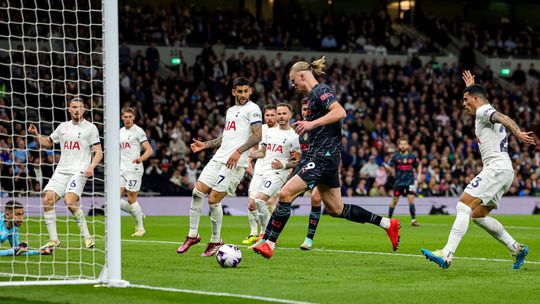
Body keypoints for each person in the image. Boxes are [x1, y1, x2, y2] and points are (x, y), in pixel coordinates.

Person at [252, 57, 400, 259]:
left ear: (303, 75)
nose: (292, 84)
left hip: (323, 157)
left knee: (285, 194)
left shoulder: (320, 91)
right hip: (324, 158)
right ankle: (387, 224)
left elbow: (340, 111)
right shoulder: (312, 96)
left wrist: (311, 125)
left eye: (293, 80)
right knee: (336, 209)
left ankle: (268, 243)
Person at [421, 70, 536, 269]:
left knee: (463, 206)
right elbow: (486, 103)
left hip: (496, 168)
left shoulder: (483, 111)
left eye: (466, 100)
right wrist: (471, 85)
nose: (463, 104)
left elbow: (502, 117)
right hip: (505, 170)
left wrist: (517, 132)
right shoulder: (484, 108)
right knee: (478, 215)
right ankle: (516, 247)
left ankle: (447, 253)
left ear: (475, 99)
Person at [177, 77, 262, 257]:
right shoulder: (231, 111)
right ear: (233, 92)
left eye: (245, 91)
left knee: (213, 199)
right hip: (219, 158)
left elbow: (257, 136)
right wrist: (205, 145)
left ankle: (216, 240)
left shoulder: (253, 109)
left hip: (235, 162)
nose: (242, 95)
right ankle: (193, 235)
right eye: (239, 91)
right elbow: (227, 138)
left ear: (250, 91)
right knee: (197, 192)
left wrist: (238, 152)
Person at [28, 97, 102, 250]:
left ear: (84, 109)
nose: (76, 110)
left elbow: (99, 152)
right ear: (69, 109)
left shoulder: (91, 128)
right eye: (73, 107)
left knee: (69, 202)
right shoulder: (63, 127)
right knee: (47, 200)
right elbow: (48, 142)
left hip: (79, 171)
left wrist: (91, 166)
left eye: (79, 107)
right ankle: (54, 240)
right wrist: (36, 134)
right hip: (61, 170)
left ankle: (87, 237)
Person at [247, 103, 300, 244]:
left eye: (284, 113)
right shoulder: (268, 132)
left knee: (259, 200)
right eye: (279, 113)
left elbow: (298, 161)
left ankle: (264, 236)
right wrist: (245, 155)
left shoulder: (294, 136)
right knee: (252, 203)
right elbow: (261, 153)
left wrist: (283, 165)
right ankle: (266, 235)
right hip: (262, 172)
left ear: (290, 115)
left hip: (278, 174)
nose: (281, 116)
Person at [242, 104, 277, 245]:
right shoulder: (260, 129)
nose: (269, 118)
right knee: (251, 203)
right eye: (267, 115)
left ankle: (269, 234)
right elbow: (254, 147)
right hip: (259, 170)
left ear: (277, 115)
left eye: (272, 115)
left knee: (268, 203)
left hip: (274, 172)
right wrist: (248, 161)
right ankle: (254, 233)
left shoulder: (282, 131)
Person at [119, 107, 154, 237]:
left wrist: (140, 159)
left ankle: (140, 228)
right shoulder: (120, 132)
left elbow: (149, 150)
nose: (127, 119)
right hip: (121, 169)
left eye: (130, 117)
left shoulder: (138, 131)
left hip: (134, 169)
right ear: (121, 117)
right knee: (113, 199)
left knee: (131, 198)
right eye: (125, 117)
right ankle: (137, 213)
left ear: (133, 118)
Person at [295, 98, 323, 251]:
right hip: (304, 167)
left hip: (320, 167)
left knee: (316, 197)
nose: (306, 112)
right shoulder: (298, 130)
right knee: (283, 196)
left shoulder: (319, 127)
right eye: (304, 109)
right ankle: (267, 236)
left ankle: (309, 239)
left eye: (308, 109)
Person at [384, 139, 422, 226]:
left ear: (408, 146)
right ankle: (388, 220)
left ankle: (413, 220)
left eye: (405, 144)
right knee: (394, 201)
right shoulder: (395, 156)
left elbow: (419, 164)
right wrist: (390, 170)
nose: (403, 146)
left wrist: (419, 174)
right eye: (401, 144)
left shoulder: (412, 156)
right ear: (399, 146)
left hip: (410, 182)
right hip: (399, 182)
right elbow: (388, 165)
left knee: (411, 200)